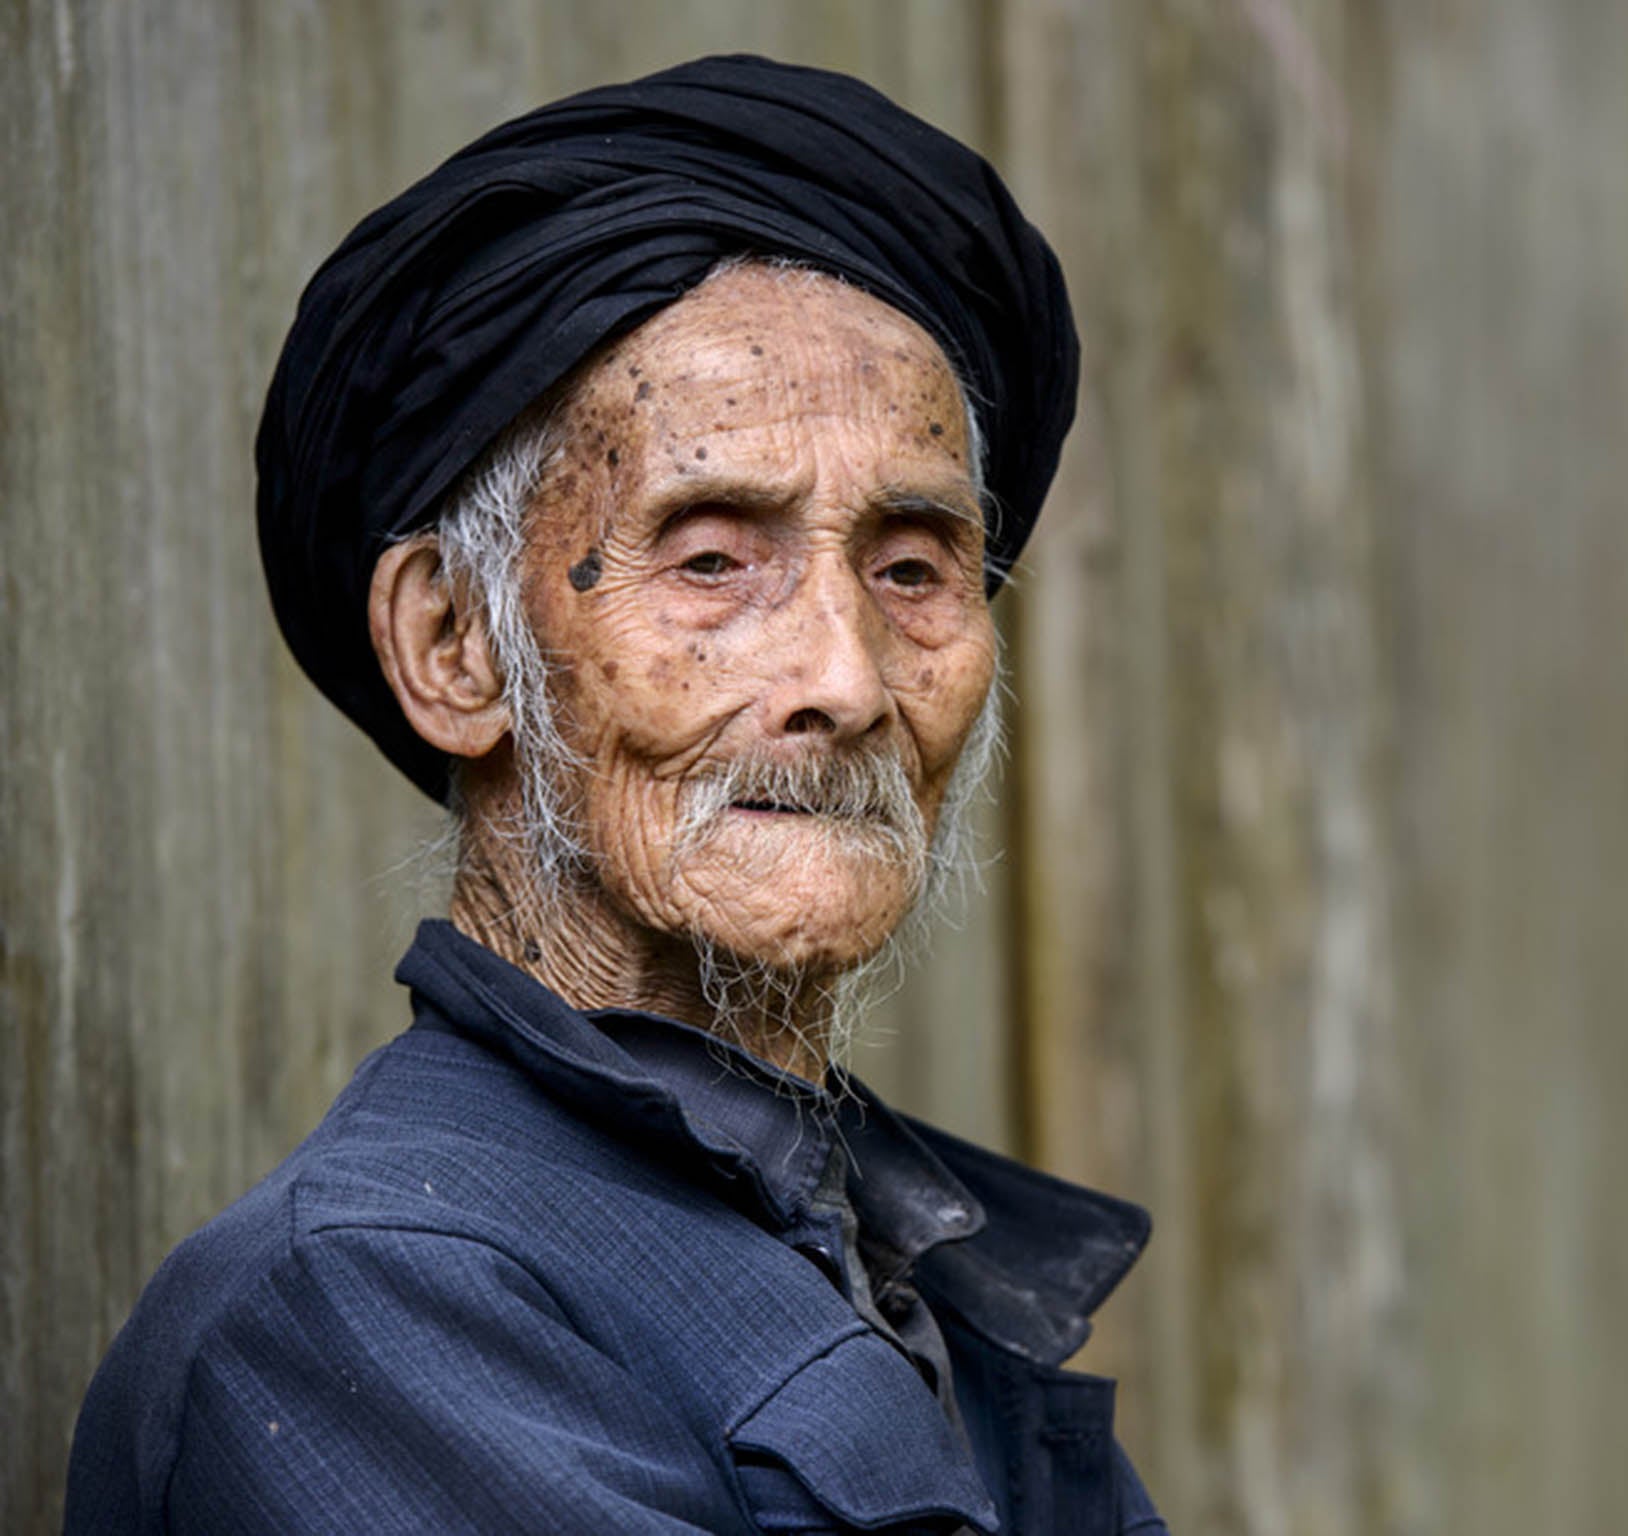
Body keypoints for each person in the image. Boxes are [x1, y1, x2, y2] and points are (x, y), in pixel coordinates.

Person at [65, 55, 1166, 1536]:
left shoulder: (909, 1276)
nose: (844, 674)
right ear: (455, 648)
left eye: (913, 567)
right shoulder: (358, 1314)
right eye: (713, 559)